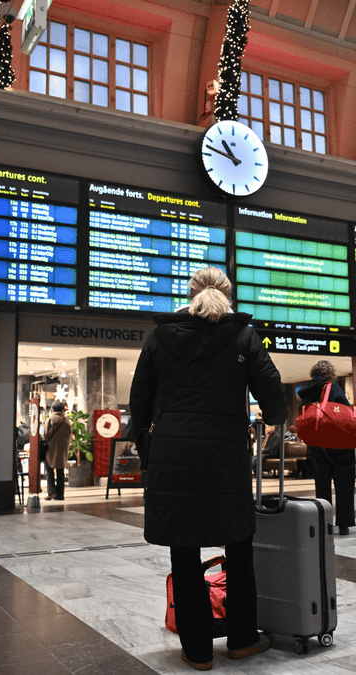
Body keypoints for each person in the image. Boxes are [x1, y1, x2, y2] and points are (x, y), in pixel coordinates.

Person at [128, 266, 285, 670]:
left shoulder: (160, 336)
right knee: (238, 542)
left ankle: (197, 651)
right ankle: (242, 639)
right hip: (225, 455)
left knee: (183, 548)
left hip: (172, 455)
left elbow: (139, 401)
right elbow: (272, 391)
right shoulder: (243, 335)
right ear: (228, 295)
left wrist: (148, 445)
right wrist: (271, 420)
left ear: (190, 293)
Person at [297, 360, 355, 536]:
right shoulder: (332, 387)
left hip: (316, 445)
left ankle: (324, 523)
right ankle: (343, 524)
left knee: (322, 486)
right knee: (344, 484)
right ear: (330, 374)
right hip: (338, 444)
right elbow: (345, 412)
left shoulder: (305, 392)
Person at [41, 401, 72, 501]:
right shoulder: (67, 420)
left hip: (51, 448)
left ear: (52, 409)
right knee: (60, 470)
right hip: (63, 449)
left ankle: (51, 492)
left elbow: (45, 435)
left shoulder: (51, 419)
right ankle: (60, 494)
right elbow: (70, 435)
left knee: (49, 469)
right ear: (63, 409)